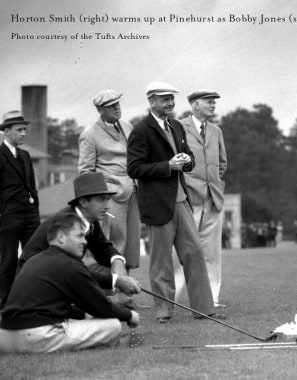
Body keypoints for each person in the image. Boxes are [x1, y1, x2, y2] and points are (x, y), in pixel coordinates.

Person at [127, 81, 224, 323]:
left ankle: (204, 309)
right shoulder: (141, 130)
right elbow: (134, 168)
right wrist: (167, 166)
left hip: (181, 199)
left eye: (172, 98)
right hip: (158, 204)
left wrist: (186, 161)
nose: (170, 103)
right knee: (161, 261)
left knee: (194, 252)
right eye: (164, 99)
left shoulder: (177, 126)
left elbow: (189, 159)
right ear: (152, 102)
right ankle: (163, 312)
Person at [0, 213, 142, 353]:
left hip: (6, 337)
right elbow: (101, 306)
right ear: (61, 237)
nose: (85, 242)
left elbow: (53, 307)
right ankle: (117, 343)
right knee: (113, 325)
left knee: (83, 319)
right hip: (35, 337)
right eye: (79, 236)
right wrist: (129, 315)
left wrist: (83, 315)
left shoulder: (33, 260)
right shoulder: (70, 264)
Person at [18, 172, 141, 299]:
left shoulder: (89, 219)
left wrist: (117, 261)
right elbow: (70, 269)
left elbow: (103, 248)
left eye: (107, 199)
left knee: (105, 269)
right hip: (35, 284)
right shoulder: (66, 223)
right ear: (83, 202)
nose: (107, 206)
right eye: (101, 200)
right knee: (88, 278)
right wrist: (117, 281)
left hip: (55, 275)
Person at [78, 89, 143, 309]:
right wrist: (104, 193)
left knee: (131, 245)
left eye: (117, 103)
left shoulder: (127, 126)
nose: (117, 107)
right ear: (100, 109)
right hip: (111, 197)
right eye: (111, 105)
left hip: (134, 191)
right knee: (113, 246)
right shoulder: (89, 134)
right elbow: (85, 172)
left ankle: (126, 297)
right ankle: (105, 296)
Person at [179, 91, 227, 307]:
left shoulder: (216, 130)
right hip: (188, 199)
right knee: (182, 251)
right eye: (209, 102)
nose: (213, 105)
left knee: (212, 253)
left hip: (212, 199)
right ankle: (174, 300)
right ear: (195, 105)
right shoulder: (179, 127)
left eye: (214, 102)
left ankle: (212, 299)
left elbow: (222, 163)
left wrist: (214, 184)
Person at [0, 110, 40, 310]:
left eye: (25, 130)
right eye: (19, 130)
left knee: (35, 257)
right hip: (8, 217)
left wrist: (35, 210)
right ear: (6, 132)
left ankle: (35, 299)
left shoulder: (25, 155)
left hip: (30, 215)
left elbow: (31, 185)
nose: (23, 133)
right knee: (8, 261)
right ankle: (4, 302)